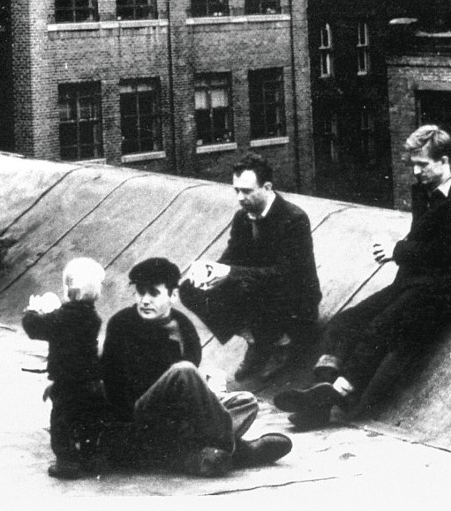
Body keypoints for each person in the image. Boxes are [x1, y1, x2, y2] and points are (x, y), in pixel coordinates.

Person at [275, 125, 451, 426]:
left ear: (446, 160)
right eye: (413, 164)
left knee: (378, 329)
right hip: (413, 283)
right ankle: (321, 395)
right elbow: (424, 240)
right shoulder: (426, 193)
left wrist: (397, 251)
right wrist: (401, 249)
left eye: (422, 164)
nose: (416, 171)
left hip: (441, 291)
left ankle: (339, 394)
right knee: (344, 322)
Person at [100, 256, 293, 478]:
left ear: (172, 295)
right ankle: (236, 450)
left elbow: (189, 390)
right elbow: (114, 386)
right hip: (139, 416)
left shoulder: (184, 327)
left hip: (179, 418)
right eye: (140, 292)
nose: (144, 300)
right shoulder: (122, 325)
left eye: (153, 293)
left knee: (245, 401)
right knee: (184, 371)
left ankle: (201, 452)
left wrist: (209, 390)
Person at [178, 150, 321, 385]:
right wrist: (210, 270)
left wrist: (231, 273)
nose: (240, 198)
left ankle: (282, 343)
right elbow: (232, 255)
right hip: (256, 290)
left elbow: (288, 275)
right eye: (236, 190)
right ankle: (258, 341)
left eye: (246, 191)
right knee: (189, 289)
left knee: (248, 289)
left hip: (294, 301)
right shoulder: (242, 218)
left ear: (267, 187)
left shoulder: (293, 219)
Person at [21, 256, 107, 479]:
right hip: (91, 382)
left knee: (62, 422)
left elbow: (35, 329)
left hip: (66, 383)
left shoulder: (61, 317)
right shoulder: (92, 317)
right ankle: (90, 456)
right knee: (89, 420)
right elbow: (68, 325)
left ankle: (67, 461)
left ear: (69, 289)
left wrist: (31, 311)